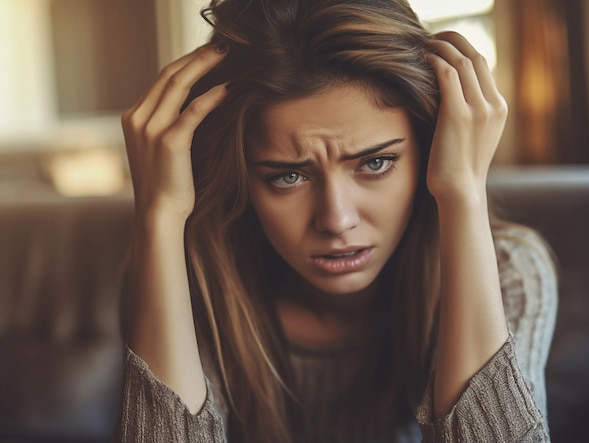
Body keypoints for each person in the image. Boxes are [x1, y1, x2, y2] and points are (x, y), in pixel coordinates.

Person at [114, 0, 558, 441]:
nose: (336, 220)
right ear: (242, 178)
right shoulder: (185, 280)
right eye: (288, 175)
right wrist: (159, 216)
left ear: (431, 147)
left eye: (377, 163)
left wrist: (462, 190)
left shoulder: (508, 272)